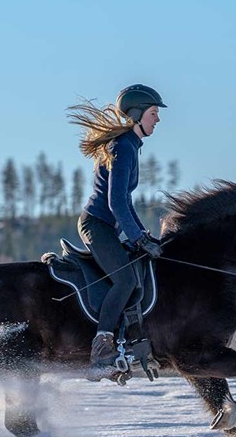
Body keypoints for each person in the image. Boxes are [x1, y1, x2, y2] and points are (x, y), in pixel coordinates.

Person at [67, 84, 166, 379]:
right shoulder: (123, 146)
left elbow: (126, 202)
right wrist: (136, 237)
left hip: (107, 226)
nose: (157, 119)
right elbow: (115, 201)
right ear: (136, 114)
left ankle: (126, 345)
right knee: (124, 281)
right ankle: (101, 351)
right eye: (153, 113)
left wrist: (143, 236)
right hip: (96, 225)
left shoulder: (129, 145)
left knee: (134, 282)